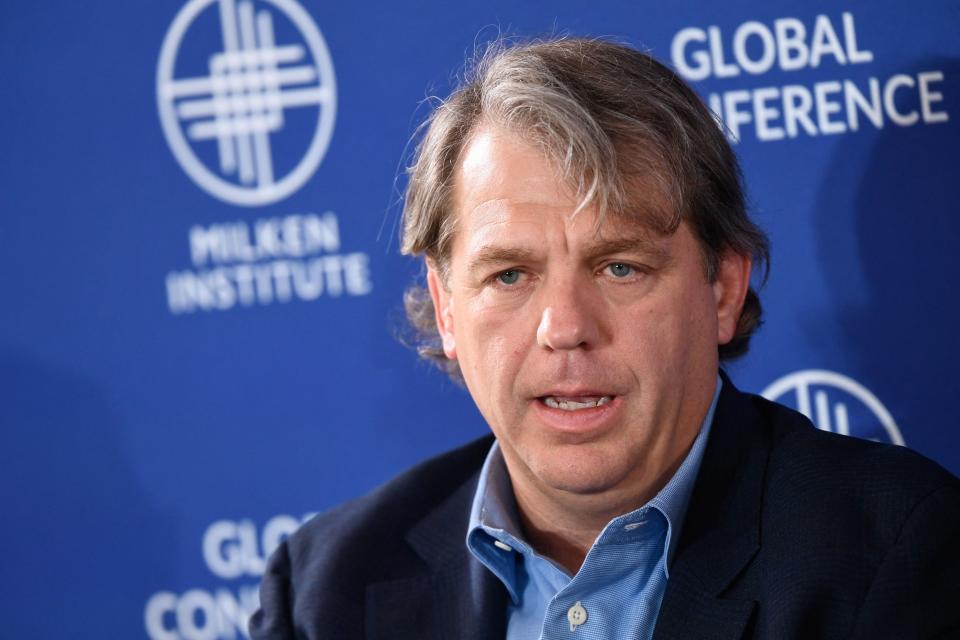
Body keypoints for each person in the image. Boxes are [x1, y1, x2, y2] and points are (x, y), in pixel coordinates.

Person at [249, 37, 960, 639]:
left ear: (723, 289)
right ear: (446, 310)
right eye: (510, 275)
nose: (565, 328)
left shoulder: (893, 555)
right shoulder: (324, 593)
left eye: (620, 266)